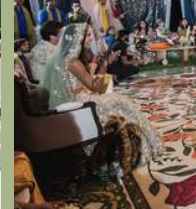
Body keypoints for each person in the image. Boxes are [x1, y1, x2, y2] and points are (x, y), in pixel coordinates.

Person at [33, 22, 159, 170]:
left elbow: (88, 83)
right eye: (87, 36)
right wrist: (101, 64)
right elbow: (96, 87)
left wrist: (100, 67)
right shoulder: (72, 61)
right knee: (123, 102)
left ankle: (131, 149)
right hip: (81, 102)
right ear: (77, 39)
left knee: (122, 101)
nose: (90, 39)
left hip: (78, 98)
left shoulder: (64, 58)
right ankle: (144, 148)